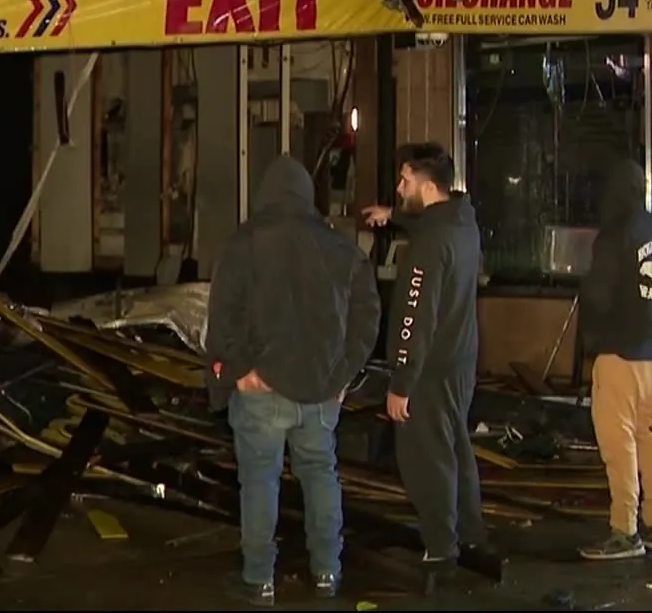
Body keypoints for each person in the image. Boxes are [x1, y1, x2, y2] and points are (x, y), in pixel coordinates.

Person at [209, 156, 383, 605]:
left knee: (260, 481)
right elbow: (368, 318)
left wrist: (236, 370)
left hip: (261, 387)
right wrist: (343, 372)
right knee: (320, 474)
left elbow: (222, 316)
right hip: (321, 390)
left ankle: (259, 579)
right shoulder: (342, 249)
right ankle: (328, 572)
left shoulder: (245, 242)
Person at [361, 143, 490, 571]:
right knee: (455, 448)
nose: (399, 188)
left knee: (425, 460)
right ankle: (471, 535)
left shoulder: (429, 245)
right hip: (460, 363)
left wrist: (401, 383)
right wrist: (393, 216)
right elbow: (425, 221)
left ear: (428, 185)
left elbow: (414, 318)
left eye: (405, 181)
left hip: (429, 371)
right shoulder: (462, 223)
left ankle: (440, 547)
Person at [576, 158, 652, 560]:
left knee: (618, 444)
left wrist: (591, 334)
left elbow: (599, 293)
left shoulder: (614, 233)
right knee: (649, 435)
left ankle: (624, 529)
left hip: (618, 351)